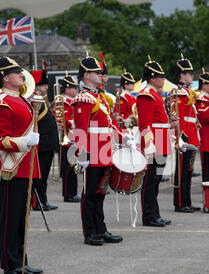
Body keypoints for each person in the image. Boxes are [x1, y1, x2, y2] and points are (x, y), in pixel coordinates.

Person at [0, 55, 43, 274]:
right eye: (17, 72)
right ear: (5, 77)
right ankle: (10, 264)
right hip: (13, 166)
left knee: (22, 218)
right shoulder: (0, 102)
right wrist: (24, 142)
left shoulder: (22, 100)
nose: (22, 75)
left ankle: (21, 260)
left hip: (27, 165)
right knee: (11, 219)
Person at [72, 55, 128, 244]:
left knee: (100, 192)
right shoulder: (83, 98)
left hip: (104, 150)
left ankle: (101, 228)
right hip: (93, 152)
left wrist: (124, 138)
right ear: (86, 75)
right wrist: (83, 153)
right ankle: (90, 232)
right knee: (90, 194)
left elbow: (110, 124)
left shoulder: (100, 97)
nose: (100, 74)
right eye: (96, 72)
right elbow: (80, 129)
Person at [136, 56, 172, 227]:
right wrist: (150, 147)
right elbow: (145, 124)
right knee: (150, 181)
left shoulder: (155, 95)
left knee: (156, 180)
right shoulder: (146, 95)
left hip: (161, 139)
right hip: (154, 142)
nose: (164, 79)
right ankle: (148, 216)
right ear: (152, 78)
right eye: (161, 76)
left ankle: (155, 213)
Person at [172, 55, 200, 212]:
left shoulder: (187, 92)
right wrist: (180, 139)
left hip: (191, 134)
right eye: (189, 73)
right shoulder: (179, 92)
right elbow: (179, 117)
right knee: (182, 172)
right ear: (182, 75)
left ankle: (187, 201)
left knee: (188, 171)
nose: (192, 76)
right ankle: (180, 203)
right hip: (185, 136)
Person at [31, 62, 59, 211]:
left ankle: (43, 200)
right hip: (41, 144)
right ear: (35, 86)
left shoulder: (42, 101)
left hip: (47, 144)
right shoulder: (35, 100)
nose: (46, 88)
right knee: (39, 176)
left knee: (44, 175)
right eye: (43, 86)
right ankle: (37, 202)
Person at [58, 73, 80, 203]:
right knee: (68, 170)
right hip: (67, 139)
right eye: (73, 87)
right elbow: (63, 120)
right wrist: (75, 121)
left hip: (74, 138)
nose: (76, 90)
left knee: (73, 169)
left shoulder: (72, 101)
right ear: (66, 89)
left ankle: (73, 192)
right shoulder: (63, 102)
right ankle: (68, 194)